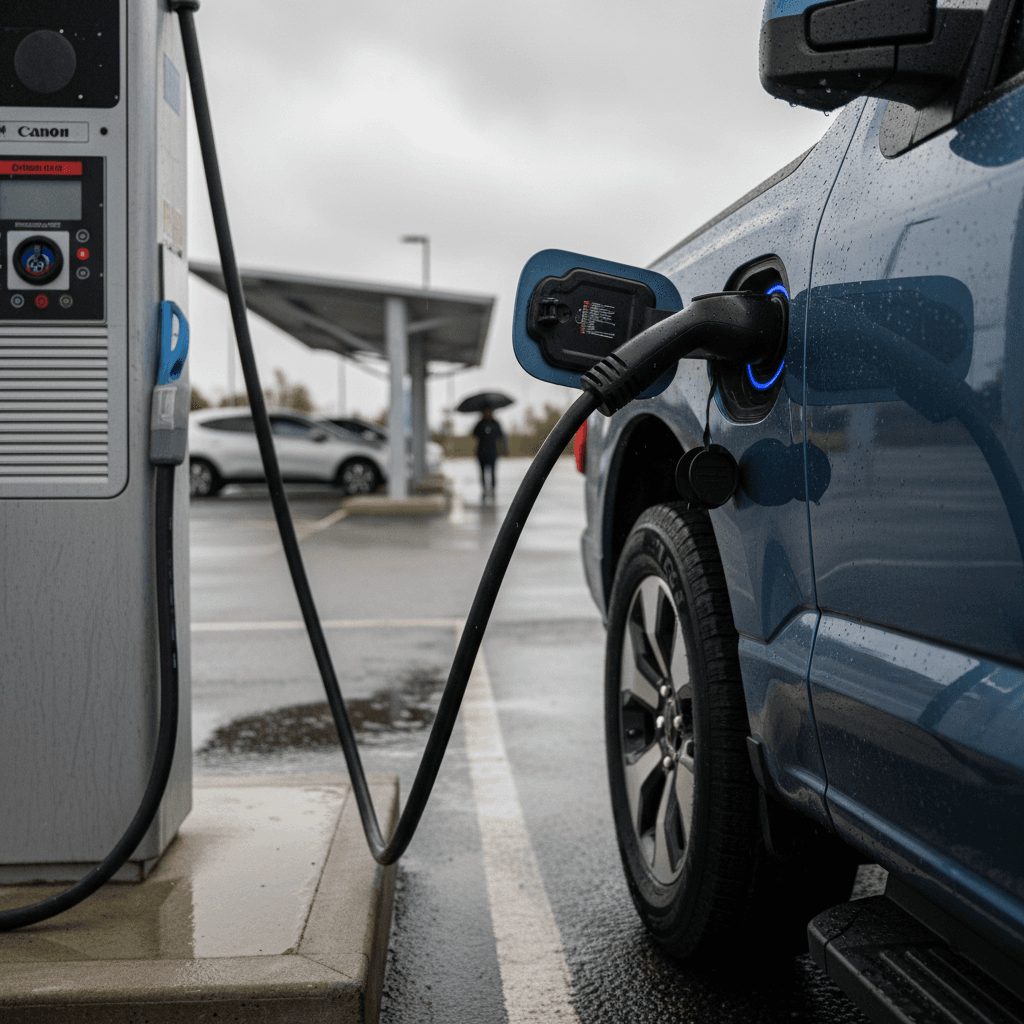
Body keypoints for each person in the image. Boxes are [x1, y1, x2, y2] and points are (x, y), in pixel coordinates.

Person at [472, 407, 506, 499]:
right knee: (482, 472)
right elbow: (473, 434)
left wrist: (502, 449)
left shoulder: (495, 424)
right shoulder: (480, 424)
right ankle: (484, 489)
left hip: (492, 452)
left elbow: (500, 437)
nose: (487, 413)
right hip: (481, 452)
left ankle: (493, 489)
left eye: (489, 411)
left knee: (493, 472)